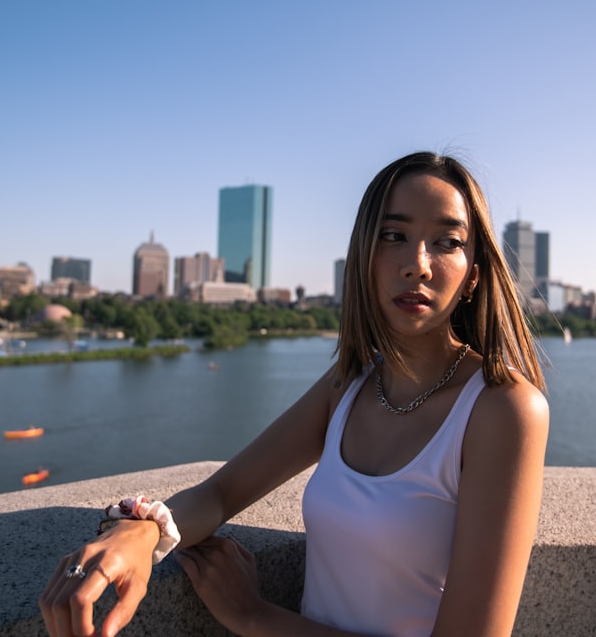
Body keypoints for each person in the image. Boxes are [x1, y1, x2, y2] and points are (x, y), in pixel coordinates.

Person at [39, 151, 549, 637]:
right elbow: (221, 493)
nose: (417, 263)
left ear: (474, 277)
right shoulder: (348, 386)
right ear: (363, 260)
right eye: (393, 235)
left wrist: (254, 618)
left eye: (447, 242)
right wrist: (143, 532)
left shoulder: (502, 409)